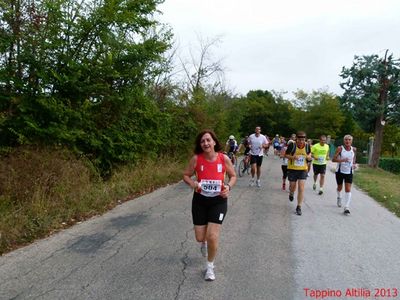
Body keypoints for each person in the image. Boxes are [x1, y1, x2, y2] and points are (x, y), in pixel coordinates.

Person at [183, 129, 237, 281]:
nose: (206, 143)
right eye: (202, 141)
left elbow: (233, 176)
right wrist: (193, 183)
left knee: (212, 235)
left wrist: (228, 187)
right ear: (200, 145)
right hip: (200, 201)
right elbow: (185, 175)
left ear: (214, 142)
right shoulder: (196, 159)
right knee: (201, 237)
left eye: (208, 140)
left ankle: (210, 267)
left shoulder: (223, 158)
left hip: (218, 201)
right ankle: (204, 242)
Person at [285, 131, 312, 216]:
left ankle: (299, 206)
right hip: (292, 169)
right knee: (293, 186)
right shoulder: (292, 145)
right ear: (296, 139)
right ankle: (291, 193)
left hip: (303, 169)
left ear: (305, 139)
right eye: (299, 139)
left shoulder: (307, 146)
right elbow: (285, 155)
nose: (301, 141)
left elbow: (309, 154)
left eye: (303, 139)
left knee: (301, 187)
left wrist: (309, 157)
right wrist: (293, 157)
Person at [332, 135, 357, 215]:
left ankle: (346, 207)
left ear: (351, 141)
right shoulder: (340, 148)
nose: (347, 141)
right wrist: (342, 160)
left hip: (349, 171)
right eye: (346, 139)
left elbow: (353, 159)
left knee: (348, 189)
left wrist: (354, 164)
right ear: (344, 141)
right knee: (340, 187)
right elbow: (333, 159)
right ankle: (339, 197)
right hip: (339, 171)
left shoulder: (354, 149)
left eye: (349, 140)